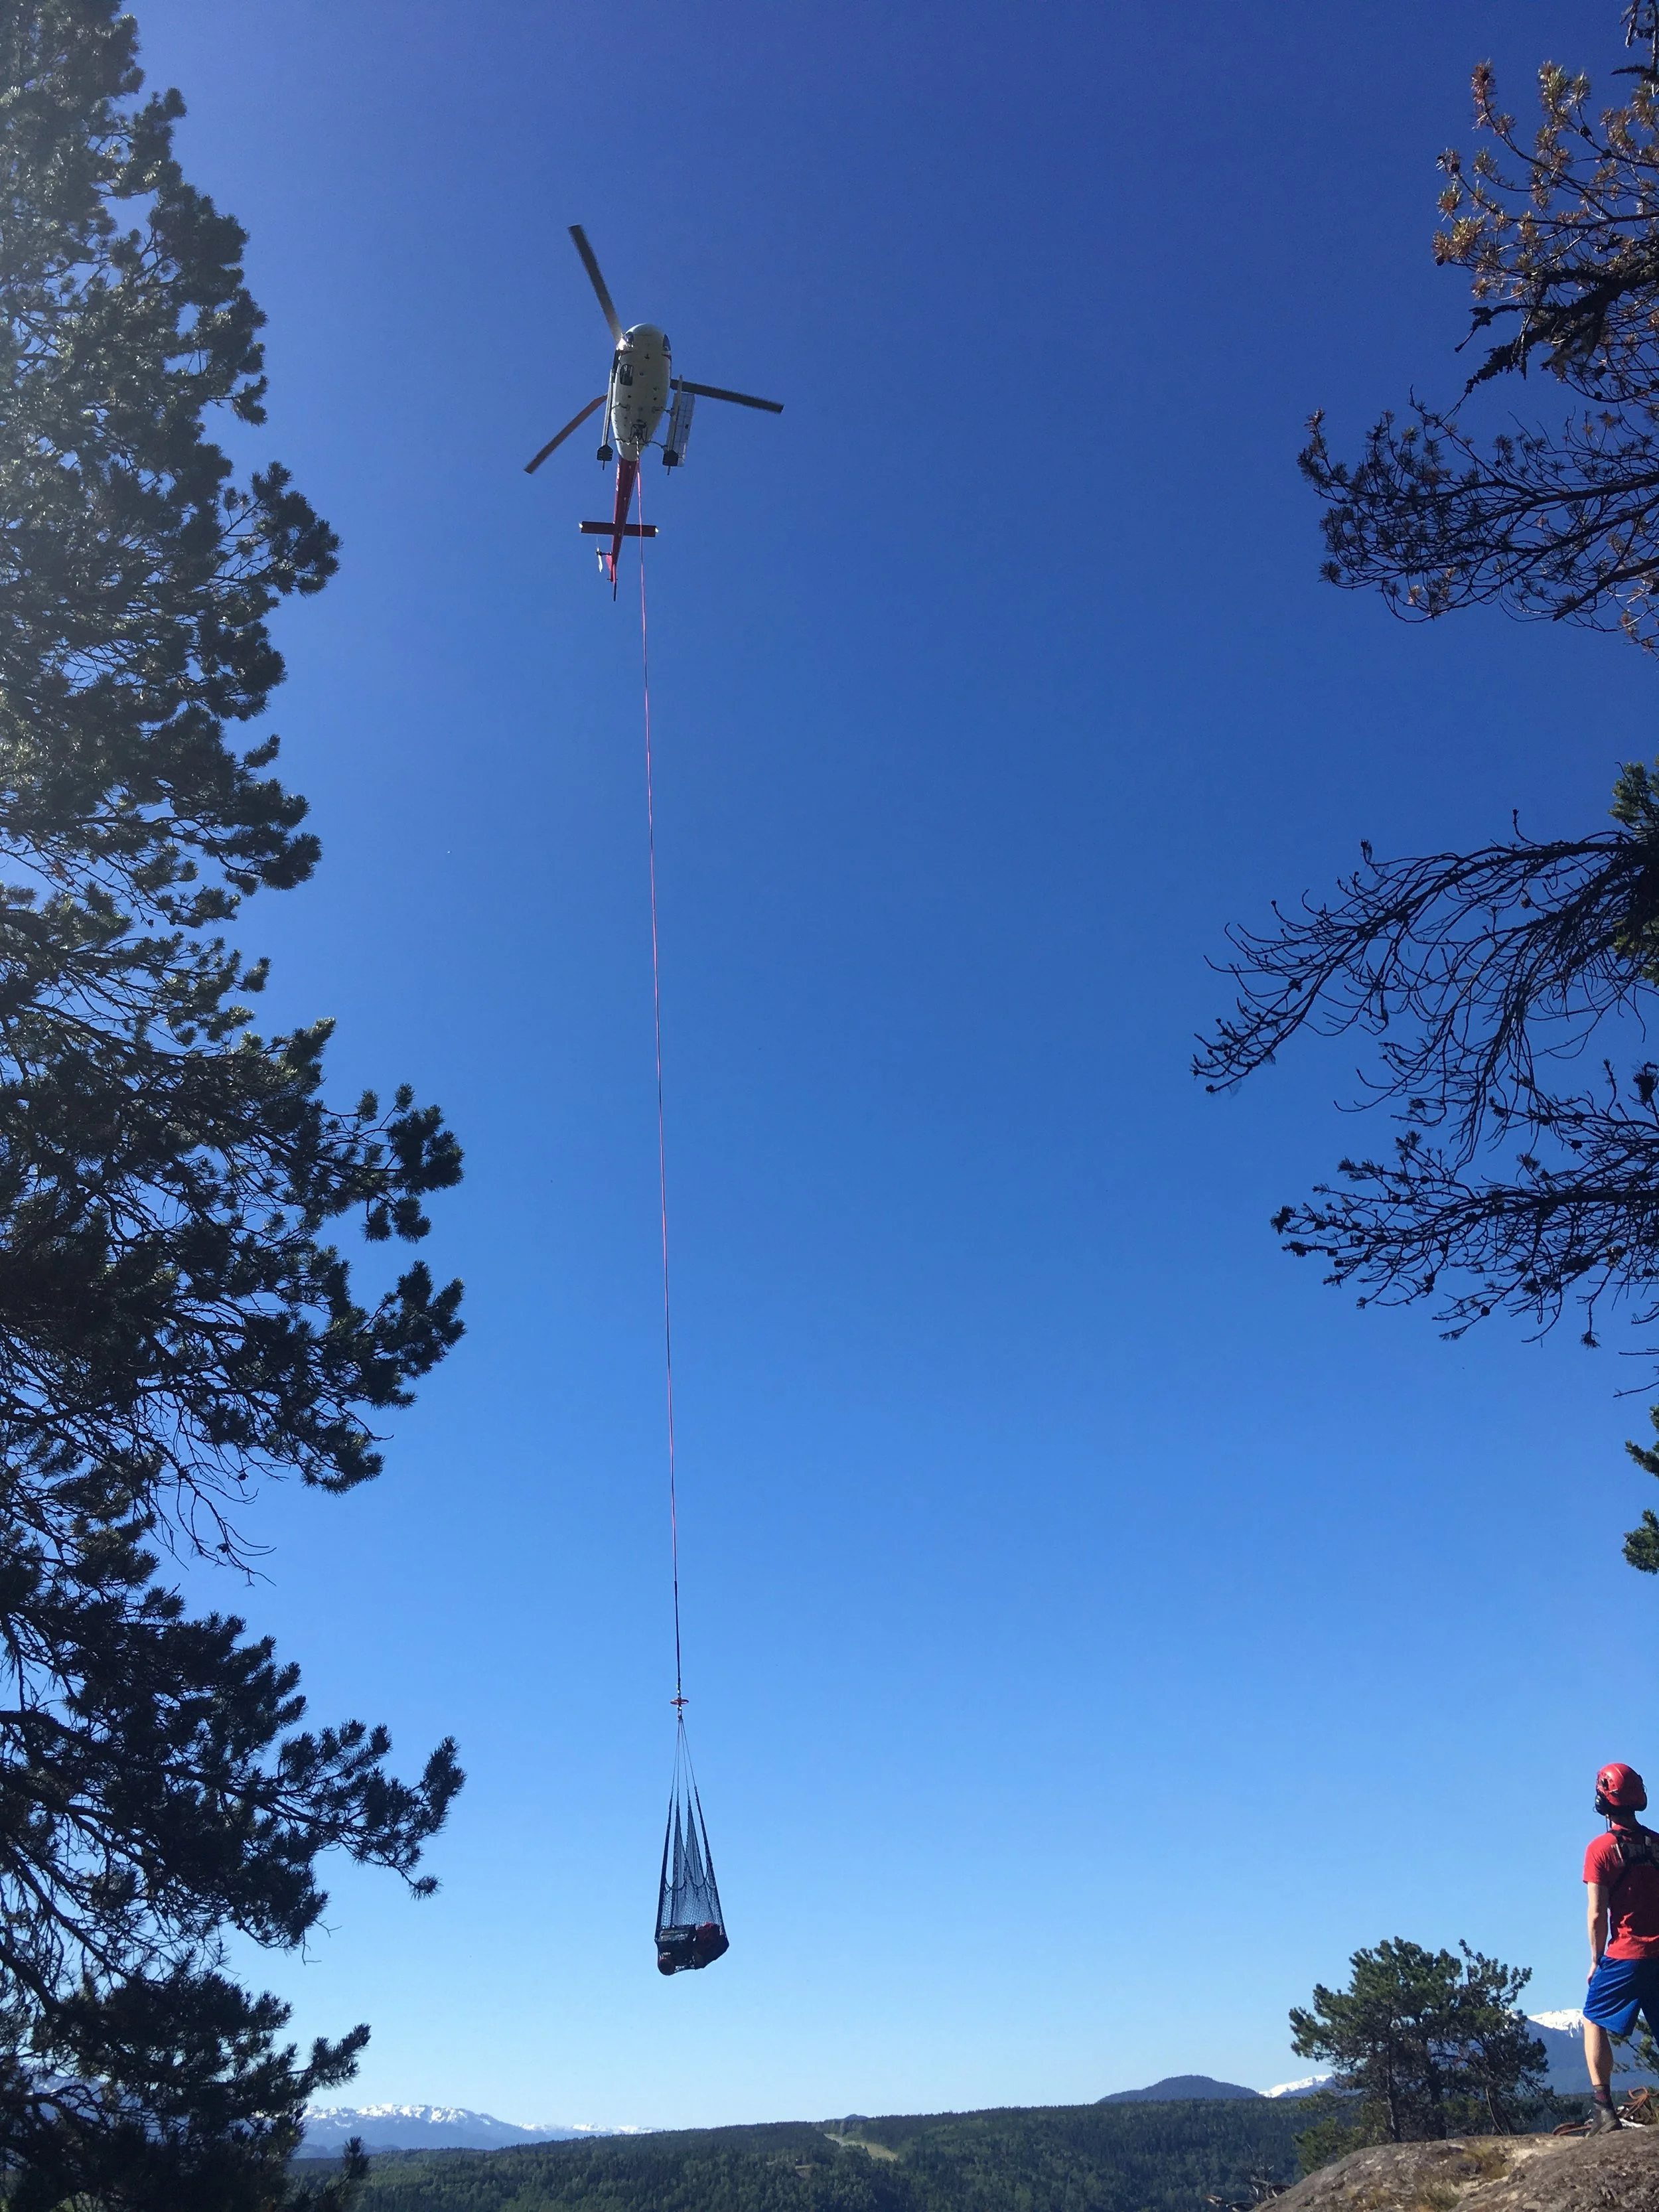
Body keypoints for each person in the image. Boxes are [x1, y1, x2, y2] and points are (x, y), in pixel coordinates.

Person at [1582, 1761, 1659, 2131]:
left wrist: (1596, 1960)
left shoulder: (1601, 1849)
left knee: (1592, 2018)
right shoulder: (1658, 1844)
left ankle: (1604, 2109)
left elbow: (1597, 1914)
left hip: (1627, 1954)